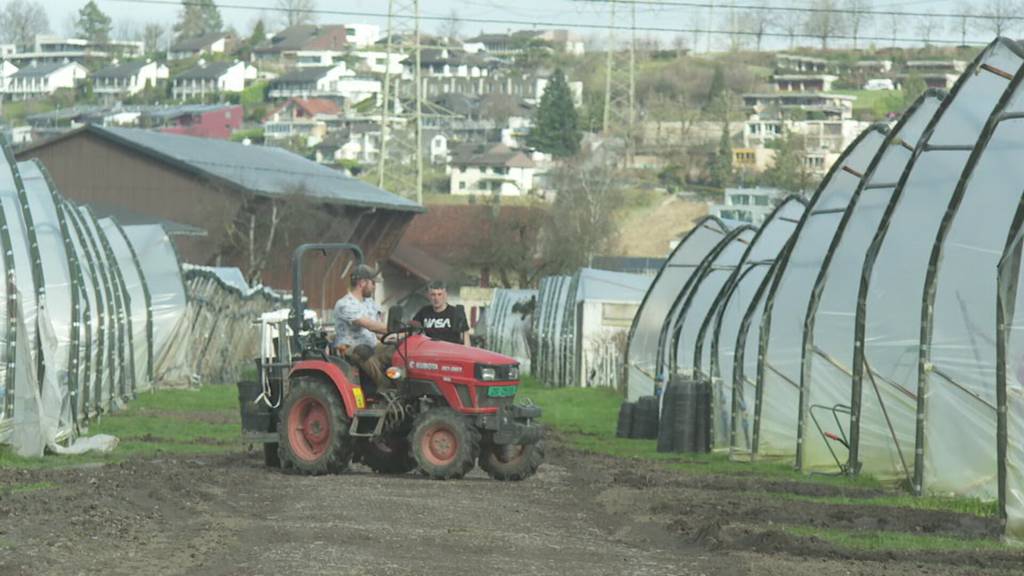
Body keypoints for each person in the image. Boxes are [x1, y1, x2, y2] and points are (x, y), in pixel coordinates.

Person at [333, 264, 394, 391]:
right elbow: (368, 324)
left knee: (398, 348)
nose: (374, 287)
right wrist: (393, 328)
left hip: (372, 345)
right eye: (372, 283)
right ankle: (385, 387)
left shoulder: (369, 303)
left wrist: (397, 336)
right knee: (363, 351)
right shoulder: (345, 304)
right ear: (362, 283)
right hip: (349, 348)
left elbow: (378, 330)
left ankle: (401, 382)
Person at [412, 281, 470, 345]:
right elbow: (411, 331)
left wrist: (468, 353)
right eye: (433, 294)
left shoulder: (456, 312)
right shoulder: (423, 312)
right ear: (429, 296)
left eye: (439, 294)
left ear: (445, 295)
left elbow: (465, 335)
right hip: (429, 351)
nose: (436, 298)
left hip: (450, 352)